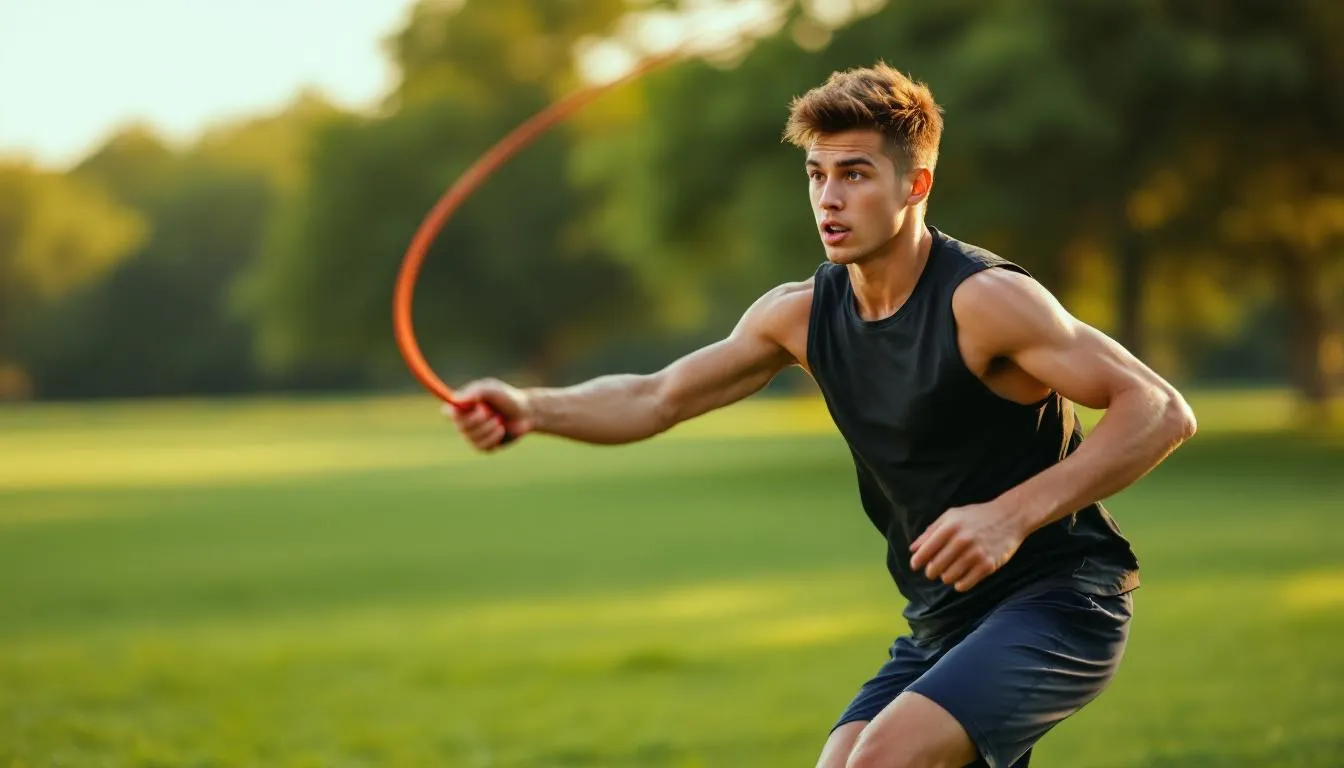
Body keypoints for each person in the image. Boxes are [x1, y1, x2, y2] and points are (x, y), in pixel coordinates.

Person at [446, 62, 1197, 768]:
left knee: (879, 760)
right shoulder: (798, 315)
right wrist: (529, 407)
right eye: (816, 175)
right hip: (941, 617)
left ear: (916, 184)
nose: (828, 198)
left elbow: (1160, 411)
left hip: (1063, 598)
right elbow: (657, 395)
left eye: (855, 174)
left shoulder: (985, 302)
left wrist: (1009, 516)